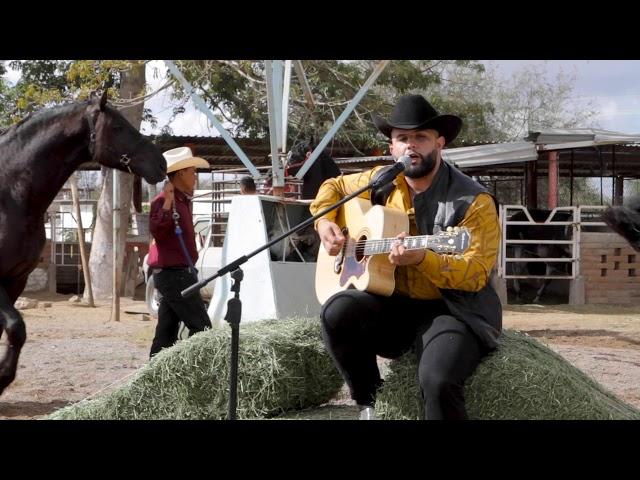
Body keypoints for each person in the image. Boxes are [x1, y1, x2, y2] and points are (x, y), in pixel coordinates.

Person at [309, 94, 502, 420]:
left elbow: (476, 272)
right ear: (391, 147)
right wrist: (324, 221)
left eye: (420, 138)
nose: (411, 146)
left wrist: (422, 259)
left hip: (454, 308)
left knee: (437, 381)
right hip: (394, 305)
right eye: (402, 138)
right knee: (335, 312)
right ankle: (371, 404)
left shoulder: (473, 200)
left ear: (439, 143)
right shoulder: (382, 181)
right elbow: (334, 185)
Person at [146, 146, 212, 358]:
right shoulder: (165, 201)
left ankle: (154, 374)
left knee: (166, 332)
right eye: (192, 172)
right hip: (175, 275)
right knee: (202, 327)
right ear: (181, 173)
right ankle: (192, 368)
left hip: (179, 273)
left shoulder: (182, 201)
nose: (195, 177)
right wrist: (166, 202)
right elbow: (156, 230)